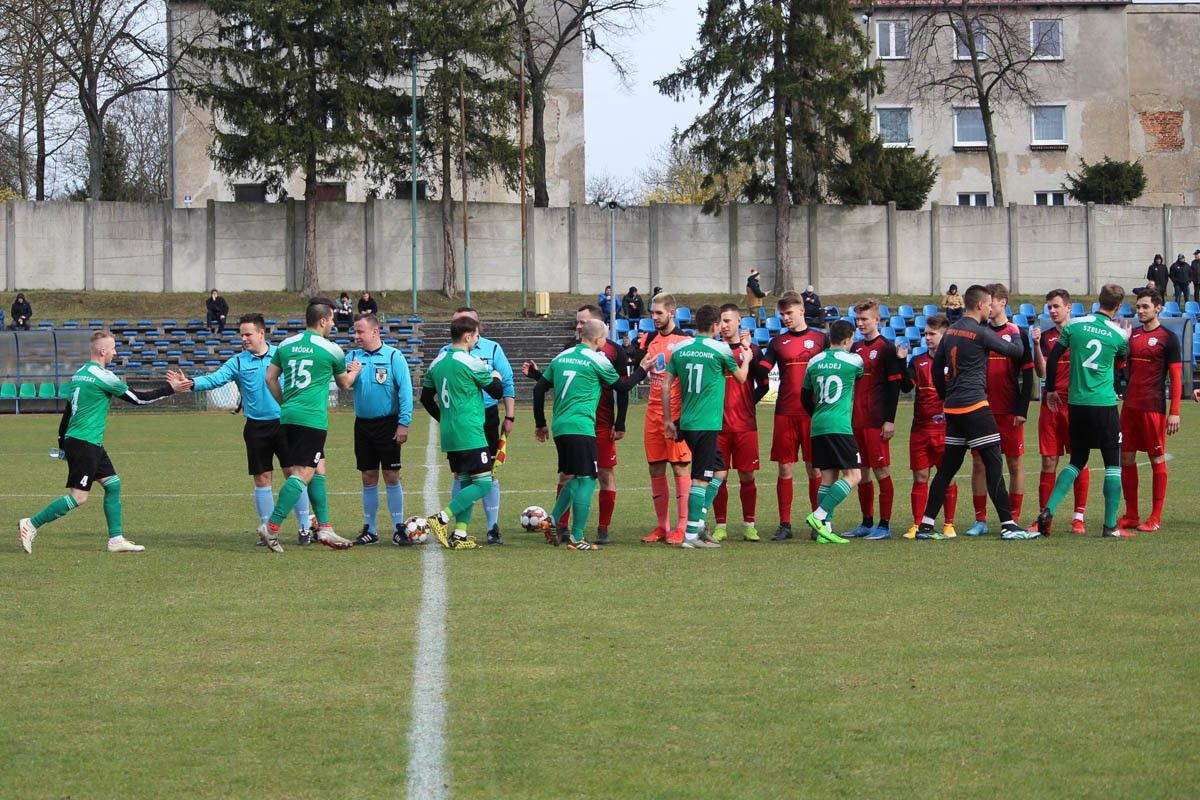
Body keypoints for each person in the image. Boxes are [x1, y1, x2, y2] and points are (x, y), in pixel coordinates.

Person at [19, 330, 176, 554]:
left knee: (113, 484)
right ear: (103, 351)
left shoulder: (79, 374)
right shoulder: (104, 376)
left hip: (81, 441)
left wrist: (63, 442)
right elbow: (139, 399)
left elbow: (68, 412)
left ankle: (116, 539)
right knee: (79, 497)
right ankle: (31, 524)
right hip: (85, 443)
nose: (115, 352)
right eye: (113, 348)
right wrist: (171, 389)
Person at [171, 313, 315, 545]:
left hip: (286, 425)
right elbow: (216, 379)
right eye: (241, 335)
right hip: (256, 427)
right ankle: (268, 531)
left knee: (294, 476)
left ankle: (305, 528)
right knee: (262, 478)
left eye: (248, 334)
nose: (244, 339)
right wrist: (191, 383)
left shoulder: (283, 355)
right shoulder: (238, 361)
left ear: (261, 333)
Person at [911, 285, 1030, 540]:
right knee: (994, 463)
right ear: (979, 305)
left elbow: (936, 370)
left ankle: (926, 525)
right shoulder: (979, 332)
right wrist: (1017, 332)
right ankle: (1009, 525)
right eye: (988, 305)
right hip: (975, 406)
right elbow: (1016, 351)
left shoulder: (951, 332)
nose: (990, 309)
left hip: (953, 409)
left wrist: (945, 396)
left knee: (948, 468)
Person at [532, 319, 649, 550]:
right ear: (598, 340)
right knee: (587, 479)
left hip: (561, 427)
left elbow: (538, 388)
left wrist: (540, 423)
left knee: (574, 477)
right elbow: (623, 388)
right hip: (581, 426)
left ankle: (552, 520)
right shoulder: (597, 359)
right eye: (604, 338)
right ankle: (576, 537)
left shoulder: (562, 357)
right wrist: (643, 369)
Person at [258, 298, 362, 552]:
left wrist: (286, 403)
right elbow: (344, 384)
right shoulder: (332, 350)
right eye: (332, 319)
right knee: (303, 474)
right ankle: (271, 527)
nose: (334, 324)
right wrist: (355, 370)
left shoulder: (286, 344)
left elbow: (270, 378)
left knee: (319, 468)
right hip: (311, 421)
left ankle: (325, 528)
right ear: (323, 320)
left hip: (288, 417)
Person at [1034, 284, 1133, 538]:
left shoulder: (1074, 326)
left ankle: (1048, 510)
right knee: (1112, 464)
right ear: (1119, 306)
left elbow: (1054, 358)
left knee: (1077, 460)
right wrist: (1126, 339)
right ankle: (1110, 526)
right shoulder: (1118, 334)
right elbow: (1121, 364)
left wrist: (1052, 389)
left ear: (1098, 301)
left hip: (1076, 405)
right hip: (1103, 405)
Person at [663, 304, 751, 548]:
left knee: (719, 472)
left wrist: (669, 420)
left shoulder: (681, 348)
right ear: (714, 326)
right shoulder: (720, 349)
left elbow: (665, 385)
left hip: (688, 421)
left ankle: (699, 522)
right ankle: (691, 535)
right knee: (701, 478)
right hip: (705, 424)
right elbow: (742, 378)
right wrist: (747, 358)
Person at [420, 315, 504, 550]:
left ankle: (460, 533)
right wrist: (495, 376)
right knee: (485, 483)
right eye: (476, 336)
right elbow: (496, 391)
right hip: (470, 430)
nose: (477, 340)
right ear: (467, 336)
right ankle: (441, 518)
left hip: (450, 432)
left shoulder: (437, 362)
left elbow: (426, 398)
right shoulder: (471, 361)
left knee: (467, 481)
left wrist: (444, 418)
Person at [439, 307, 515, 545]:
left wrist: (509, 415)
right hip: (461, 419)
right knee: (462, 476)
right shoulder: (446, 352)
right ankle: (459, 530)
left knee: (489, 473)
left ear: (475, 328)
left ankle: (492, 527)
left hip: (488, 416)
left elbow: (507, 381)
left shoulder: (493, 348)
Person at [758, 292, 828, 541]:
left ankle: (818, 521)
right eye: (782, 314)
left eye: (789, 313)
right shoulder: (777, 342)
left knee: (815, 469)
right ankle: (784, 524)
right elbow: (763, 368)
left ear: (801, 310)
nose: (785, 318)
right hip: (785, 412)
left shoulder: (821, 339)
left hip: (813, 414)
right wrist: (748, 355)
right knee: (785, 469)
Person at [965, 283, 1033, 534]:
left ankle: (1012, 517)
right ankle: (980, 520)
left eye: (991, 301)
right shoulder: (980, 333)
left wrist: (1022, 409)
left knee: (1015, 464)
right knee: (979, 464)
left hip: (1009, 410)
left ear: (1002, 302)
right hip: (981, 409)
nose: (987, 306)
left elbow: (1027, 376)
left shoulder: (1017, 333)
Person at [345, 312, 414, 546]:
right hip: (363, 425)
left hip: (389, 424)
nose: (356, 336)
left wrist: (403, 423)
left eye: (360, 331)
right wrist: (351, 372)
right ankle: (370, 529)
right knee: (368, 476)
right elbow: (344, 384)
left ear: (374, 332)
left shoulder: (394, 357)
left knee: (391, 475)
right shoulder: (352, 357)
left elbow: (405, 392)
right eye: (355, 331)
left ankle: (398, 527)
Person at [1117, 288, 1182, 532]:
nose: (1140, 311)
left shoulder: (1168, 338)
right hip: (1130, 407)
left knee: (1156, 459)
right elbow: (1121, 367)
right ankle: (1132, 514)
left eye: (1145, 306)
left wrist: (1174, 411)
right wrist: (1122, 344)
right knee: (1126, 458)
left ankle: (1155, 517)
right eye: (1138, 307)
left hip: (1152, 407)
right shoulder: (1131, 336)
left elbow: (1175, 378)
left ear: (1158, 308)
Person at [634, 292, 694, 545]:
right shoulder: (649, 340)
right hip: (653, 413)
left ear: (672, 312)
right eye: (652, 313)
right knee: (655, 467)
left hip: (676, 414)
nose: (654, 317)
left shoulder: (685, 341)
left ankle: (682, 526)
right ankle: (662, 526)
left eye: (659, 313)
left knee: (679, 466)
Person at [843, 299, 904, 540]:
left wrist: (889, 420)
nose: (860, 324)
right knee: (862, 472)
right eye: (857, 319)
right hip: (856, 420)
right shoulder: (855, 348)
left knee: (881, 471)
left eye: (865, 319)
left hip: (877, 420)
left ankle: (884, 525)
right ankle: (866, 522)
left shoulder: (887, 348)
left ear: (877, 320)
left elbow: (895, 387)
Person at [1031, 290, 1091, 535]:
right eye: (1049, 307)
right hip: (1051, 406)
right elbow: (1042, 372)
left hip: (1077, 405)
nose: (1052, 311)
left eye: (1056, 306)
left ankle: (1078, 517)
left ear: (1069, 307)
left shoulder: (1081, 335)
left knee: (1079, 461)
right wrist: (1035, 346)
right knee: (1048, 461)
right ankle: (1045, 518)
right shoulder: (1045, 338)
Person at [799, 320, 863, 545]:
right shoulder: (854, 361)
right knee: (855, 475)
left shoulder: (814, 361)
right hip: (840, 426)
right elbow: (860, 376)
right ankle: (819, 516)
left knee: (828, 477)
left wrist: (817, 413)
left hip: (818, 424)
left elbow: (804, 396)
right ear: (848, 339)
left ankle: (824, 530)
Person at [712, 303, 770, 542]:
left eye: (728, 321)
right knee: (718, 476)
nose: (724, 326)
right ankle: (720, 525)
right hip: (717, 425)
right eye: (721, 321)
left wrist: (748, 403)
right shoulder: (713, 350)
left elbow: (764, 384)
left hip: (745, 426)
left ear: (738, 323)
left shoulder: (751, 350)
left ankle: (749, 524)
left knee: (747, 475)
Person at [898, 314, 958, 539]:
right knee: (920, 477)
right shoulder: (918, 362)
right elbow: (905, 387)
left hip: (946, 430)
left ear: (944, 335)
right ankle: (917, 523)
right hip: (920, 430)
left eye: (932, 334)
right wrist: (901, 362)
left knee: (948, 477)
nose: (927, 338)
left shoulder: (954, 362)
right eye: (925, 334)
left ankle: (949, 523)